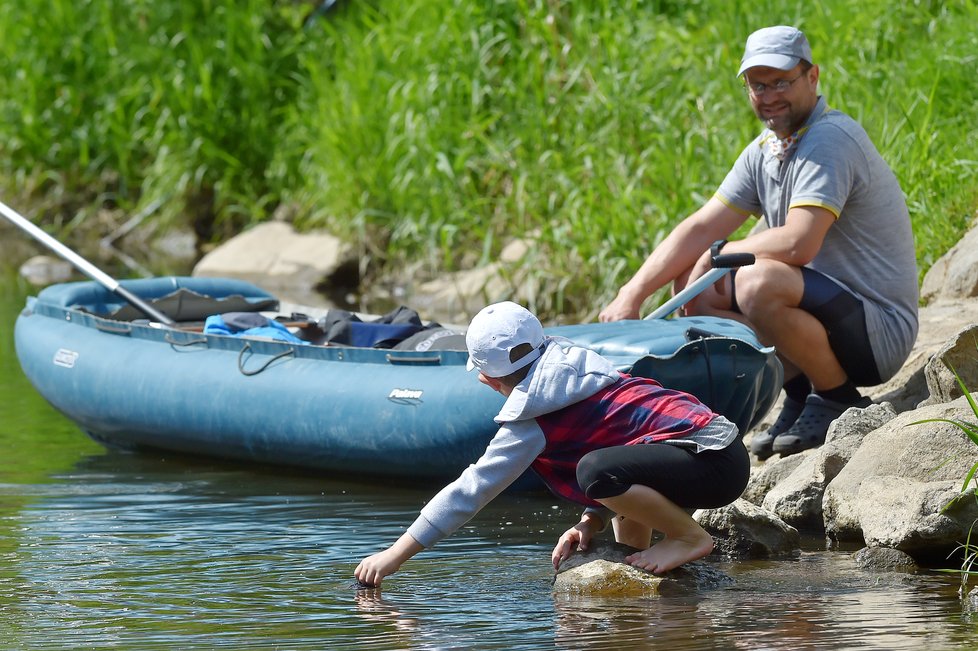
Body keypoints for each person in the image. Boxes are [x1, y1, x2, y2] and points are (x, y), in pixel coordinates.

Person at [599, 25, 918, 459]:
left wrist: (719, 256)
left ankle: (839, 397)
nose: (769, 96)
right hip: (827, 315)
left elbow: (798, 245)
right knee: (697, 291)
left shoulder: (829, 140)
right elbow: (699, 227)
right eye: (757, 85)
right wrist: (630, 297)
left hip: (879, 332)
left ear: (813, 77)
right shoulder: (767, 148)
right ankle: (801, 390)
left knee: (752, 280)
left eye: (782, 81)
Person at [354, 301, 749, 588]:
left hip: (709, 462)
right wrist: (590, 521)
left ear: (488, 380)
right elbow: (630, 447)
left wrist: (394, 555)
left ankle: (687, 538)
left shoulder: (533, 419)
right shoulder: (575, 364)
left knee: (594, 471)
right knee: (605, 473)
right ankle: (632, 567)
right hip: (721, 450)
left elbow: (469, 492)